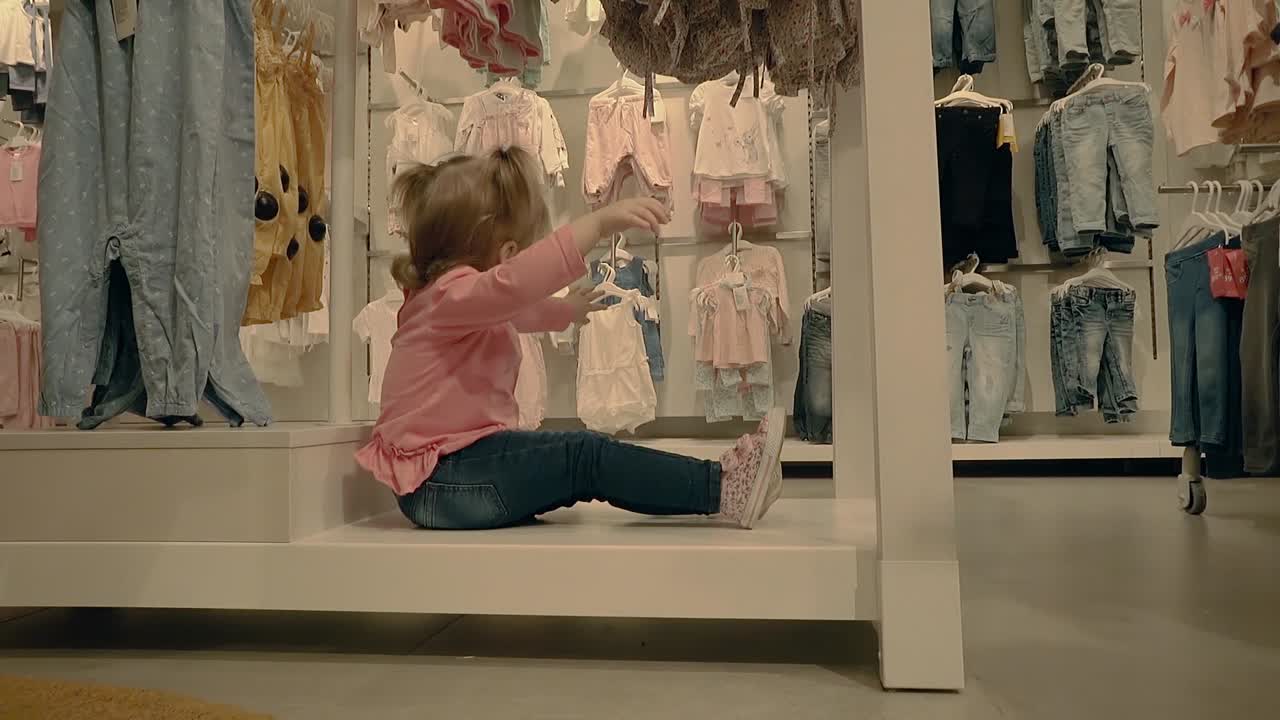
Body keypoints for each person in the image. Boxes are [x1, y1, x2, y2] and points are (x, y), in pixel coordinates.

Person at [355, 146, 785, 531]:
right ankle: (721, 487)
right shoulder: (450, 296)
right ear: (505, 254)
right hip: (445, 484)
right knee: (585, 454)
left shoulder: (448, 302)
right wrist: (596, 224)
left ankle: (718, 486)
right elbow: (514, 288)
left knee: (577, 459)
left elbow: (516, 311)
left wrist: (566, 311)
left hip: (449, 482)